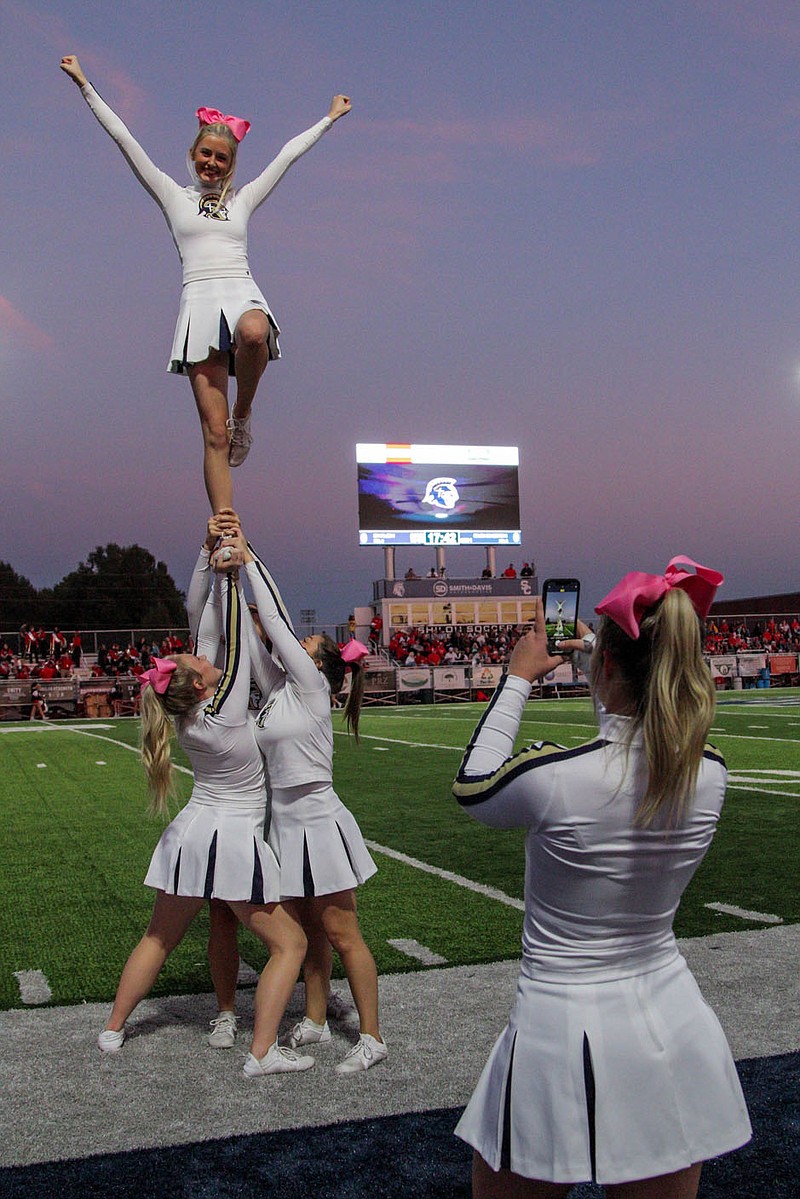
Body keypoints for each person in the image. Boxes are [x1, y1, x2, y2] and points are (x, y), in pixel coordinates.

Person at [452, 557, 751, 1198]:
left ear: (608, 667)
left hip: (557, 1033)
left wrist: (517, 680)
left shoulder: (557, 779)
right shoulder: (711, 774)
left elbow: (474, 786)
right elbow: (643, 726)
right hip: (672, 1021)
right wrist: (600, 648)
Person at [59, 54, 351, 511]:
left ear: (231, 163)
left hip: (241, 292)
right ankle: (224, 524)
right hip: (197, 307)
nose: (212, 163)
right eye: (205, 154)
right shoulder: (171, 194)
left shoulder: (244, 199)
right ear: (193, 156)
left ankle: (244, 412)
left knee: (254, 332)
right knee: (214, 436)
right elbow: (123, 137)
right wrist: (84, 84)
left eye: (221, 157)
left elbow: (286, 155)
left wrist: (328, 119)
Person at [96, 544, 314, 1078]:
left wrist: (209, 557)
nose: (202, 655)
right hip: (231, 838)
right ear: (199, 683)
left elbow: (207, 631)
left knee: (158, 937)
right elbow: (234, 639)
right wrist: (237, 575)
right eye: (198, 662)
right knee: (291, 944)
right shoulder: (224, 710)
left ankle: (112, 1028)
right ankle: (262, 1053)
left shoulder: (193, 713)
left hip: (191, 833)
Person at [211, 525, 387, 1074]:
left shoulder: (311, 687)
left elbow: (279, 624)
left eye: (312, 644)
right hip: (283, 823)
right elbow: (255, 634)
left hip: (317, 817)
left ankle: (372, 1037)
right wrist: (231, 578)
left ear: (324, 666)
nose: (303, 640)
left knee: (341, 931)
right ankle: (313, 1015)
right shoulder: (282, 687)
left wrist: (250, 551)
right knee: (309, 930)